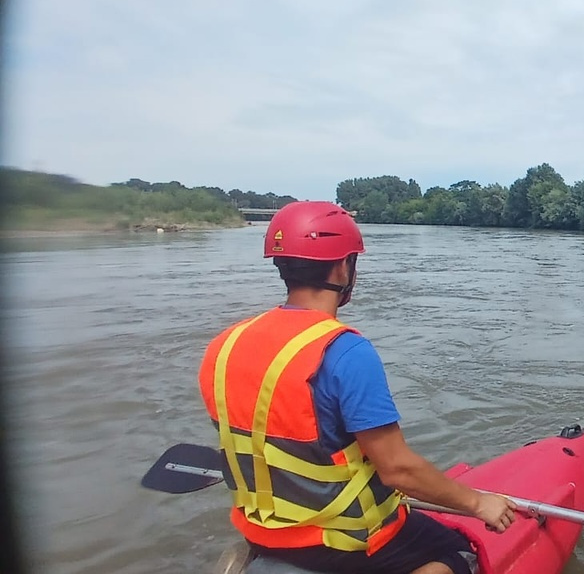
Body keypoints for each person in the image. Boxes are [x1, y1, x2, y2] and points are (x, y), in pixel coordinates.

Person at [196, 201, 515, 574]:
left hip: (262, 532)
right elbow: (398, 470)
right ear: (344, 266)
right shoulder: (345, 352)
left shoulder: (224, 345)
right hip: (343, 543)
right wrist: (479, 504)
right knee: (461, 554)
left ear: (282, 266)